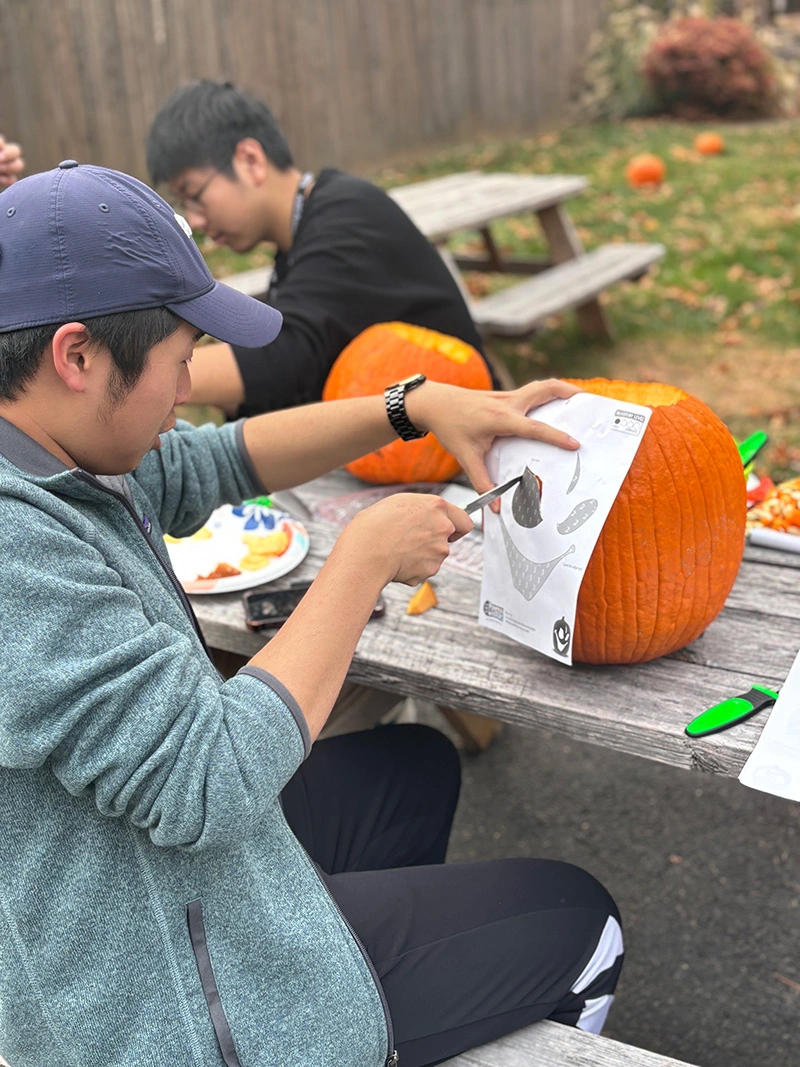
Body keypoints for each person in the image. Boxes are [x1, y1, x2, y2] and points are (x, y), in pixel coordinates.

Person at [0, 162, 623, 1067]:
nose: (186, 393)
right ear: (77, 355)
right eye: (180, 364)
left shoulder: (52, 442)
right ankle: (302, 1017)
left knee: (414, 766)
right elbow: (202, 779)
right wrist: (364, 558)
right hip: (142, 1002)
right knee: (580, 912)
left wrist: (407, 406)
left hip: (152, 873)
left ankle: (334, 969)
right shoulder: (17, 548)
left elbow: (210, 461)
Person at [145, 80, 497, 419]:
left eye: (193, 195)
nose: (194, 219)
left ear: (250, 160)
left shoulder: (350, 218)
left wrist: (144, 374)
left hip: (461, 439)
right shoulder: (303, 234)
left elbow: (285, 357)